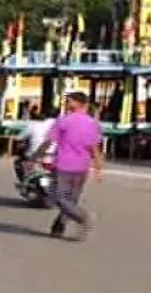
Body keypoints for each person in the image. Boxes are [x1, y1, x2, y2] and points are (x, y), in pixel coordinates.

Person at [33, 92, 102, 240]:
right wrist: (98, 167)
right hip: (82, 167)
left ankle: (83, 218)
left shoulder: (64, 121)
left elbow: (49, 141)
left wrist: (36, 156)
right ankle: (59, 226)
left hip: (64, 165)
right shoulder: (92, 123)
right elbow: (94, 148)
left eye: (69, 101)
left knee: (58, 198)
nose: (66, 103)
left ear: (79, 103)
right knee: (71, 199)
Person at [15, 107, 56, 183]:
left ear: (43, 115)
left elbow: (19, 138)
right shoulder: (62, 126)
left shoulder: (34, 125)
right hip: (55, 156)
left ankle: (24, 181)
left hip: (35, 155)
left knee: (18, 162)